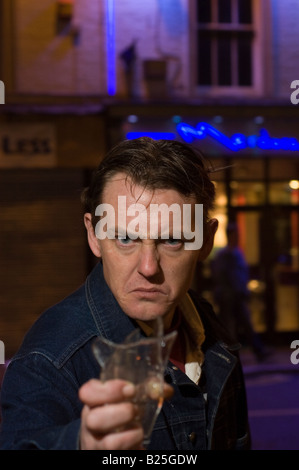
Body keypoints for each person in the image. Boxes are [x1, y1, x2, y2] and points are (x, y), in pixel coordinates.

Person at [0, 137, 251, 450]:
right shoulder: (50, 358)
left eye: (172, 240)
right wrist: (81, 444)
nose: (147, 267)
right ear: (94, 235)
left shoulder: (210, 329)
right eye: (124, 238)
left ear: (206, 241)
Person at [211, 222, 268, 362]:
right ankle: (231, 354)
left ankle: (257, 350)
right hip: (229, 296)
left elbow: (240, 275)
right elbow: (223, 276)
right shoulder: (225, 255)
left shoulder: (236, 252)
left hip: (237, 295)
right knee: (229, 327)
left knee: (243, 323)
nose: (237, 237)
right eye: (235, 234)